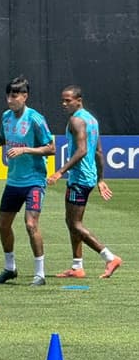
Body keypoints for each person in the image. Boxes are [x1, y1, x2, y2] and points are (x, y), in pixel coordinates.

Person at [0, 76, 55, 286]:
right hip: (13, 182)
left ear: (24, 96)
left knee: (30, 224)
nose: (10, 99)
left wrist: (26, 149)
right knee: (3, 225)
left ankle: (40, 274)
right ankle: (10, 268)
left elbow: (51, 148)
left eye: (14, 95)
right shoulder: (6, 117)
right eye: (8, 95)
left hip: (34, 181)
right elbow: (1, 140)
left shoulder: (35, 119)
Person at [46, 85, 122, 279]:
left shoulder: (76, 120)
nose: (64, 104)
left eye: (68, 100)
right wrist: (101, 179)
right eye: (62, 100)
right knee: (72, 222)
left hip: (79, 179)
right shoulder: (91, 120)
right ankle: (77, 267)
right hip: (87, 178)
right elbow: (98, 151)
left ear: (79, 100)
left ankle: (109, 257)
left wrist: (59, 172)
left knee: (75, 224)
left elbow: (82, 151)